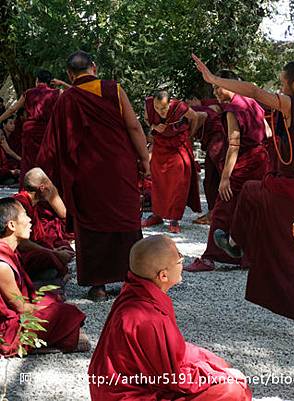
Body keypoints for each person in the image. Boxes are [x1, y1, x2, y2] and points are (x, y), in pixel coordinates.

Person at [192, 20, 294, 343]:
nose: (280, 87)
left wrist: (214, 79)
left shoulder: (293, 106)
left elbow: (252, 90)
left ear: (293, 86)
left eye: (282, 83)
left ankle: (236, 243)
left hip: (287, 193)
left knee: (254, 198)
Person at [37, 50, 150, 301]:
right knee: (125, 222)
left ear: (69, 74)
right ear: (94, 68)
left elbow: (53, 145)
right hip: (118, 168)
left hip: (86, 173)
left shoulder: (67, 99)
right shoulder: (114, 90)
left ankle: (98, 286)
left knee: (91, 226)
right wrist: (144, 160)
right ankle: (132, 280)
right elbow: (133, 125)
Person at [88, 235, 251, 401]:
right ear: (163, 276)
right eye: (179, 259)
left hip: (132, 385)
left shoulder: (136, 291)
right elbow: (173, 378)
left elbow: (172, 350)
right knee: (232, 391)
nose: (182, 262)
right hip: (129, 395)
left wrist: (213, 363)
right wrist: (217, 375)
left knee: (218, 363)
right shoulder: (147, 318)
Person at [186, 71, 270, 272]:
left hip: (244, 162)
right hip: (261, 160)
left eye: (218, 86)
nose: (215, 91)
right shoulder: (252, 102)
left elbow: (233, 144)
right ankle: (248, 257)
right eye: (214, 87)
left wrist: (225, 178)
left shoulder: (233, 108)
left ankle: (209, 258)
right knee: (251, 208)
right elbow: (267, 131)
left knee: (223, 207)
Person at [0, 197, 88, 356]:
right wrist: (51, 310)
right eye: (25, 215)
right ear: (11, 225)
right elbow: (21, 309)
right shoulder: (2, 266)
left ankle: (58, 330)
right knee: (68, 312)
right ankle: (42, 341)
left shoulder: (9, 251)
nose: (29, 220)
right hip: (7, 330)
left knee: (52, 298)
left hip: (19, 308)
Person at [142, 90, 204, 233]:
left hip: (178, 145)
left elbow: (195, 118)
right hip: (161, 146)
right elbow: (147, 120)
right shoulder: (149, 105)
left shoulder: (180, 107)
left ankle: (174, 218)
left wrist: (190, 135)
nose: (160, 111)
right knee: (158, 181)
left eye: (163, 108)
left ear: (170, 103)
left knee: (178, 181)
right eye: (157, 108)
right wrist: (154, 127)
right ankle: (157, 214)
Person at [0, 70, 62, 188]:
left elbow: (12, 109)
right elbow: (75, 93)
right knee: (47, 162)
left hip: (31, 132)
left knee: (29, 163)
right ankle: (48, 191)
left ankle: (26, 192)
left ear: (37, 80)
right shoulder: (58, 93)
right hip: (48, 132)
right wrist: (62, 83)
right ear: (51, 82)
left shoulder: (28, 93)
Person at [13, 168, 74, 281]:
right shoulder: (20, 206)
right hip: (16, 252)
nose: (52, 190)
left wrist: (54, 250)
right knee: (51, 258)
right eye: (50, 186)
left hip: (26, 247)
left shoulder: (31, 203)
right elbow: (22, 243)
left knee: (62, 249)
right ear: (42, 188)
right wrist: (54, 253)